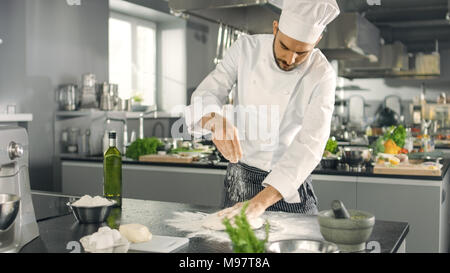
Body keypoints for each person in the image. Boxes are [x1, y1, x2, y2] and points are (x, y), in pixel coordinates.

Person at [184, 0, 340, 221]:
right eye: (284, 46)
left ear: (317, 41)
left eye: (302, 53)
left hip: (287, 185)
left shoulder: (322, 73)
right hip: (240, 179)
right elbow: (206, 93)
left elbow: (311, 144)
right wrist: (214, 119)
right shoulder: (246, 49)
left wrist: (260, 203)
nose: (290, 59)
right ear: (275, 28)